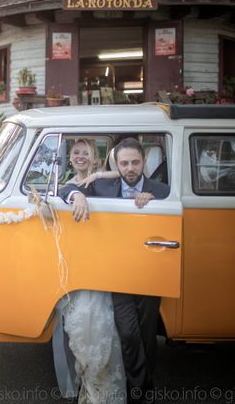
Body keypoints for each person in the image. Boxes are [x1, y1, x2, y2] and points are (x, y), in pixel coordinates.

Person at [59, 137, 170, 403]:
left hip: (150, 273)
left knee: (147, 335)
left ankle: (140, 392)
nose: (130, 168)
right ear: (117, 165)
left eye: (135, 162)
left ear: (143, 161)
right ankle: (141, 392)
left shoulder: (162, 189)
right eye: (124, 163)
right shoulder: (106, 186)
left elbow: (170, 210)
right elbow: (67, 189)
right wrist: (78, 195)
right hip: (118, 274)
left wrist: (153, 199)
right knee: (129, 334)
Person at [52, 139, 125, 403]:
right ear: (70, 158)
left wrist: (97, 174)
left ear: (96, 159)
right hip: (80, 266)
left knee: (103, 331)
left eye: (87, 153)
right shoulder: (69, 185)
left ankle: (100, 391)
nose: (81, 156)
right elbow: (65, 193)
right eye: (76, 153)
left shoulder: (104, 182)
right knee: (80, 329)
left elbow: (127, 174)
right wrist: (78, 195)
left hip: (102, 264)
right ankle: (84, 387)